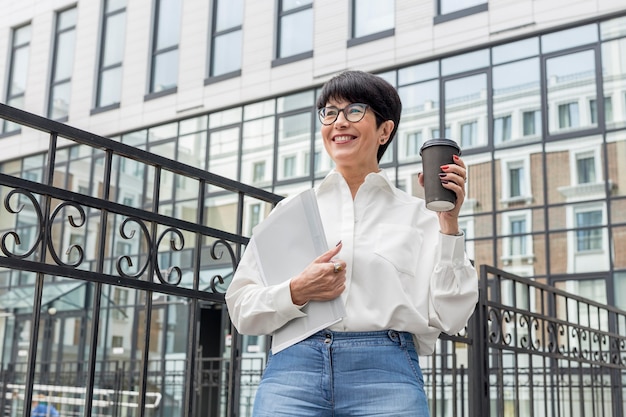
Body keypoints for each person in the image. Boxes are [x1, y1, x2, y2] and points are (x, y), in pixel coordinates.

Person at [226, 70, 478, 416]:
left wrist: (449, 225)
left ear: (385, 130)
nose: (338, 122)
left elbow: (451, 315)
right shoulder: (290, 211)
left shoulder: (420, 217)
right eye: (330, 112)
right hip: (293, 371)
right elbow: (241, 307)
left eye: (354, 110)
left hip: (386, 373)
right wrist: (297, 290)